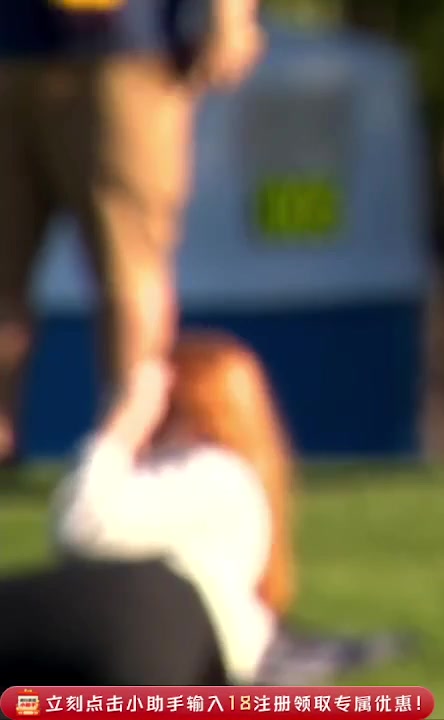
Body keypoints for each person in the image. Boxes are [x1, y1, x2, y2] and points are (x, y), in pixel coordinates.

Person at [0, 0, 266, 466]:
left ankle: (132, 446)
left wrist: (229, 14)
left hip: (126, 45)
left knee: (130, 265)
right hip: (13, 46)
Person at [0, 330, 293, 686]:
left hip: (150, 635)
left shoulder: (213, 474)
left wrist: (123, 425)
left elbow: (84, 527)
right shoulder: (229, 482)